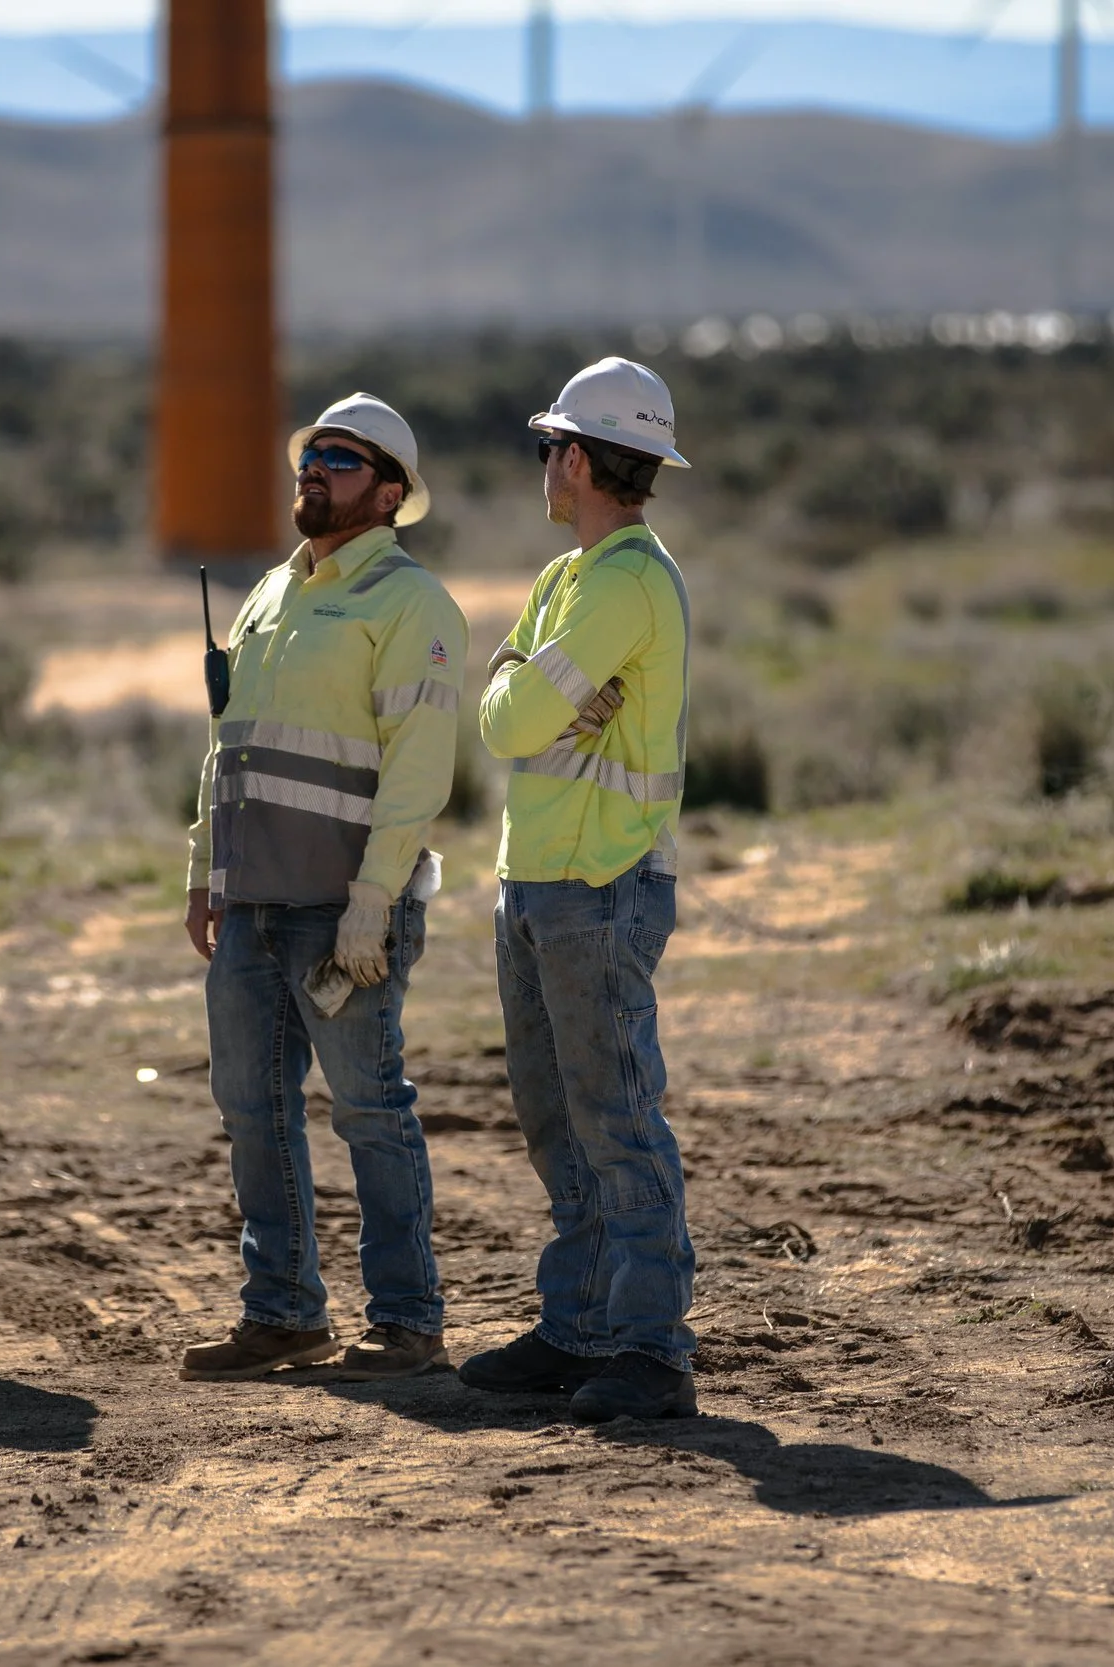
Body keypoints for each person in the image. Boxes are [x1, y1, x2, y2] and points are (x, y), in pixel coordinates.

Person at [179, 393, 469, 1383]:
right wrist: (204, 872)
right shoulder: (270, 591)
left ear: (389, 494)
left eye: (342, 460)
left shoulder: (410, 603)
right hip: (252, 904)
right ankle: (283, 1314)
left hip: (345, 911)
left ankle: (408, 1322)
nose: (315, 469)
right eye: (312, 455)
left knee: (369, 1110)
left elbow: (418, 771)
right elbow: (227, 746)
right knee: (252, 1109)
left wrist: (373, 901)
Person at [462, 358, 700, 1422]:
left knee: (616, 1120)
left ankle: (650, 1345)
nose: (543, 464)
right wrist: (532, 688)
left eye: (549, 446)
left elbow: (510, 718)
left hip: (600, 883)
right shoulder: (569, 580)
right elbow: (500, 712)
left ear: (579, 460)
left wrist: (524, 687)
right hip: (540, 878)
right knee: (557, 1120)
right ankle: (580, 1325)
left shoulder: (624, 584)